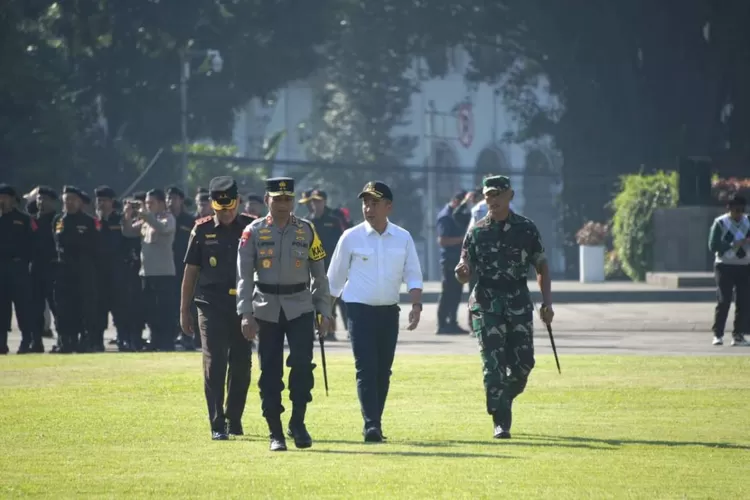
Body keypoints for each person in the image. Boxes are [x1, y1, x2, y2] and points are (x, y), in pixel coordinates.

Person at [236, 177, 332, 452]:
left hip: (300, 306)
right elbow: (243, 277)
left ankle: (298, 422)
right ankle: (275, 431)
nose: (282, 204)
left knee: (302, 365)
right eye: (276, 199)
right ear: (267, 200)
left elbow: (319, 275)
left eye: (287, 199)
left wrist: (324, 310)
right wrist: (245, 313)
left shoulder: (307, 230)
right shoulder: (252, 232)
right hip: (265, 307)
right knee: (270, 371)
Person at [455, 175, 553, 440]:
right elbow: (464, 268)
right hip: (486, 304)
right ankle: (500, 421)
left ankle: (504, 398)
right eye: (488, 196)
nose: (493, 200)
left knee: (524, 364)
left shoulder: (527, 229)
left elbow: (541, 265)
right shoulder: (477, 231)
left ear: (510, 195)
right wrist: (462, 272)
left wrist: (547, 302)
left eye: (498, 194)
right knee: (493, 366)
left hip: (518, 302)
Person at [327, 181, 424, 442]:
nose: (368, 208)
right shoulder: (351, 237)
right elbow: (334, 278)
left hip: (389, 312)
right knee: (366, 368)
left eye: (374, 203)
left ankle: (375, 421)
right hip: (358, 311)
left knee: (383, 371)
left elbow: (413, 273)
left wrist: (416, 305)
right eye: (365, 203)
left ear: (388, 206)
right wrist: (325, 312)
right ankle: (372, 424)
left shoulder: (403, 237)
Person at [181, 177, 257, 440]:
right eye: (220, 208)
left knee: (242, 365)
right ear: (213, 205)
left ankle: (233, 418)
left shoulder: (250, 227)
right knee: (215, 362)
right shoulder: (201, 230)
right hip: (210, 304)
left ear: (237, 203)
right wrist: (184, 311)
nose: (225, 213)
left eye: (230, 207)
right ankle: (216, 423)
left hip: (242, 305)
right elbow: (191, 272)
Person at [122, 188, 176, 351]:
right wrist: (127, 215)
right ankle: (154, 340)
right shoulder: (146, 220)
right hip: (147, 273)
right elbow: (128, 231)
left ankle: (166, 342)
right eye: (146, 203)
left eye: (151, 203)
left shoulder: (168, 218)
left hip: (163, 273)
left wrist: (145, 214)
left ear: (161, 203)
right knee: (150, 310)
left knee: (163, 310)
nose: (148, 206)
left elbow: (162, 228)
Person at [52, 186, 100, 353]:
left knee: (85, 307)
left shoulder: (89, 221)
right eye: (66, 200)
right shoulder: (59, 220)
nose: (69, 203)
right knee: (64, 308)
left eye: (72, 200)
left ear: (80, 202)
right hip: (64, 271)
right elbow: (57, 242)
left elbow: (93, 245)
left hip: (84, 270)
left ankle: (86, 340)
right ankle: (66, 341)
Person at [300, 188, 346, 340]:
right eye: (313, 201)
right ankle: (314, 329)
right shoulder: (307, 221)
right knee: (311, 300)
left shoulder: (334, 221)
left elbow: (342, 243)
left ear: (325, 202)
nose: (315, 204)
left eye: (318, 201)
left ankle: (330, 331)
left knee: (331, 300)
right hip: (311, 267)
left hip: (331, 265)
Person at [0, 183, 39, 354]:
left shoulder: (23, 219)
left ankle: (27, 340)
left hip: (18, 267)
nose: (2, 200)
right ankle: (2, 342)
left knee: (23, 306)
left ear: (12, 199)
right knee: (1, 307)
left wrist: (25, 261)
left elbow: (33, 243)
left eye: (5, 197)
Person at [708, 194, 750, 346]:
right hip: (724, 266)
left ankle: (738, 335)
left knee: (744, 301)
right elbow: (713, 246)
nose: (738, 214)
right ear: (729, 209)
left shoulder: (748, 221)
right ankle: (718, 334)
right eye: (735, 210)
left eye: (741, 210)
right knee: (724, 300)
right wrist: (733, 243)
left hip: (744, 266)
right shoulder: (720, 223)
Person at [92, 185, 128, 352]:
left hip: (117, 271)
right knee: (98, 308)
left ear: (112, 202)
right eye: (98, 201)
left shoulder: (119, 220)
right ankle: (96, 340)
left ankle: (123, 338)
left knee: (120, 308)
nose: (101, 204)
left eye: (104, 201)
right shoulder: (93, 222)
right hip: (98, 272)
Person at [167, 186, 197, 350]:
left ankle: (187, 336)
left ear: (181, 200)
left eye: (174, 198)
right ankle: (170, 335)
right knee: (169, 302)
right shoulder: (163, 218)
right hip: (167, 266)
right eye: (168, 198)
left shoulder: (189, 220)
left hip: (184, 266)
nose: (171, 201)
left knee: (187, 302)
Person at [436, 191, 470, 335]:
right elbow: (442, 240)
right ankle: (442, 324)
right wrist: (462, 239)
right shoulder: (446, 216)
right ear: (456, 201)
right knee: (448, 293)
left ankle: (452, 322)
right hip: (449, 261)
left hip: (458, 260)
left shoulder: (458, 215)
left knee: (456, 293)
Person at [32, 186, 59, 342]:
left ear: (52, 202)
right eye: (39, 198)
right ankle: (36, 341)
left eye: (44, 199)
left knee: (57, 306)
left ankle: (63, 340)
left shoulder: (57, 219)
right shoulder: (32, 220)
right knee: (36, 307)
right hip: (36, 268)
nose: (41, 202)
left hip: (53, 268)